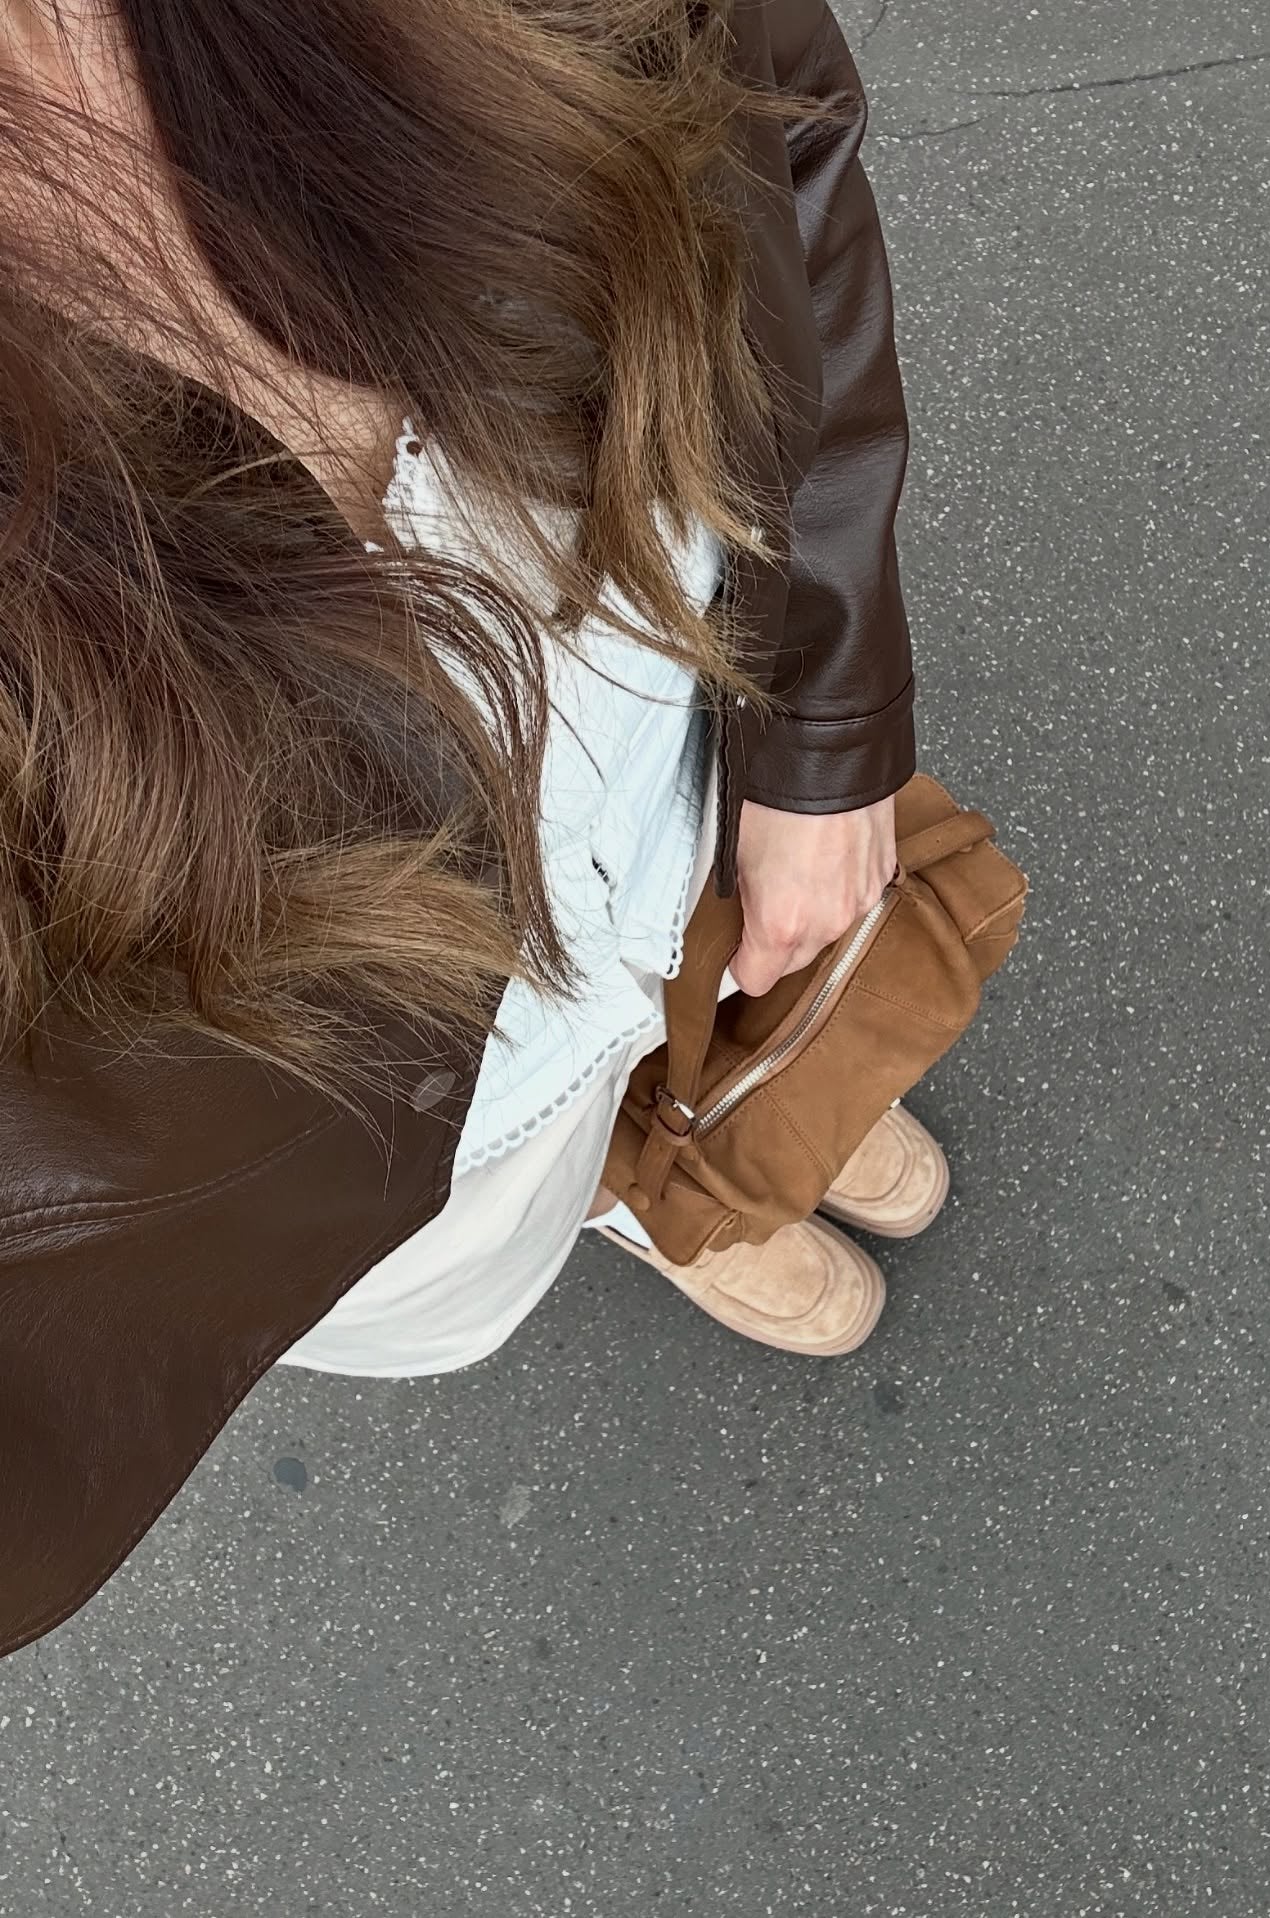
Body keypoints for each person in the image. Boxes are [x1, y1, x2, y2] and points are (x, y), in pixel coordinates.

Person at [0, 0, 938, 1655]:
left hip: (702, 754)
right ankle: (642, 1189)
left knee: (755, 984)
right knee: (541, 1186)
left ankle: (717, 1090)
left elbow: (764, 102)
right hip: (423, 1150)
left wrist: (825, 721)